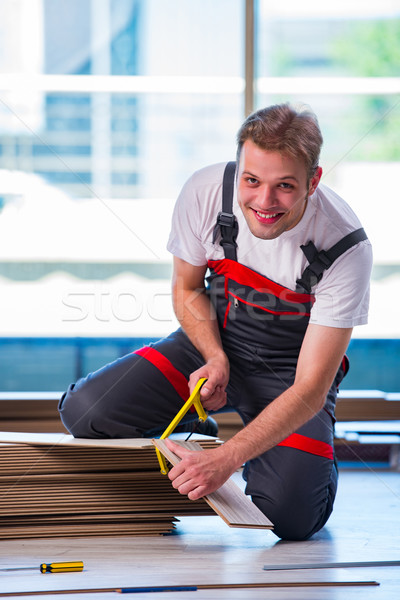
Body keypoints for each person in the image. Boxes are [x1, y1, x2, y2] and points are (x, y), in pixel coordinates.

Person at [59, 103, 372, 541]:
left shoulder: (344, 246)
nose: (264, 202)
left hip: (291, 375)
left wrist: (226, 460)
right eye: (252, 180)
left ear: (313, 181)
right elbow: (187, 288)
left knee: (292, 518)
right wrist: (214, 356)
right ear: (239, 167)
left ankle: (294, 456)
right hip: (211, 344)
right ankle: (201, 430)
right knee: (85, 411)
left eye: (285, 186)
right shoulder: (206, 190)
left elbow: (310, 388)